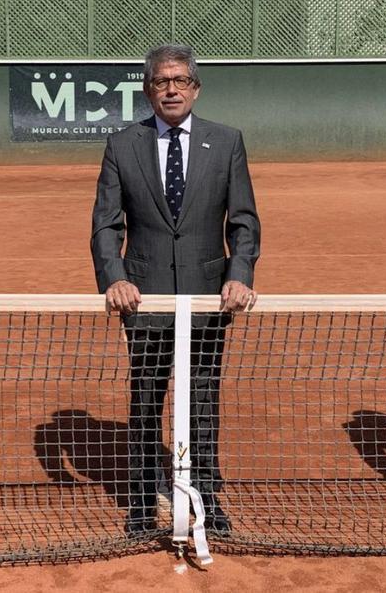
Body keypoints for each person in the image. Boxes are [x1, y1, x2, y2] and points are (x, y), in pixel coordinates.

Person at [90, 44, 261, 537]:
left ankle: (206, 496)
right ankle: (143, 499)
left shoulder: (227, 142)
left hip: (209, 298)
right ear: (148, 89)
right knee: (145, 401)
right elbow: (106, 224)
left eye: (180, 80)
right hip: (145, 300)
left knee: (202, 401)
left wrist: (239, 274)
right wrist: (115, 276)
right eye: (162, 81)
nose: (171, 89)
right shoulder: (122, 145)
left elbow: (244, 221)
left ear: (195, 88)